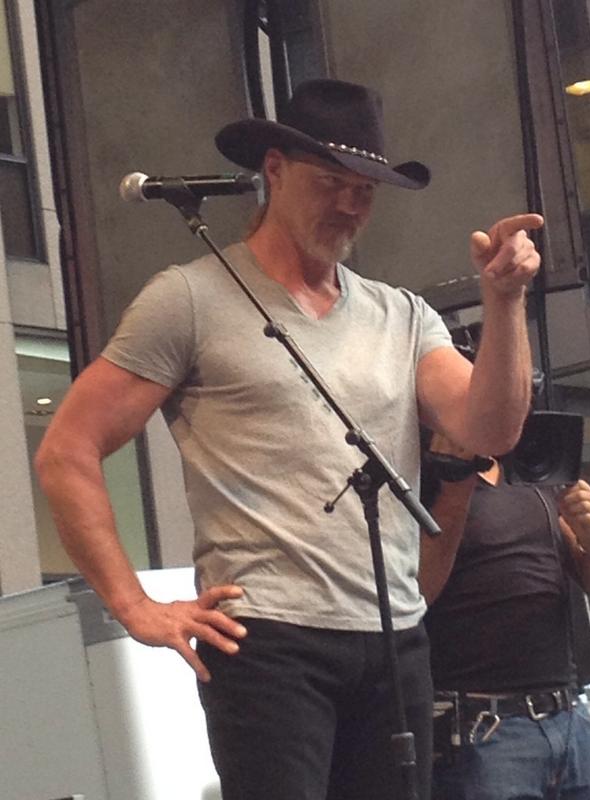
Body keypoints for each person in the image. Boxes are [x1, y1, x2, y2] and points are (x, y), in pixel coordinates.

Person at [35, 79, 543, 800]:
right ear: (273, 170)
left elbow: (490, 429)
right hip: (267, 639)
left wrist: (506, 301)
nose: (349, 204)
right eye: (330, 182)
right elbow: (66, 451)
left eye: (364, 190)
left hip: (394, 635)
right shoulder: (189, 298)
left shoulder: (402, 316)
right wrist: (134, 605)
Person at [420, 426, 590, 800]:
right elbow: (417, 591)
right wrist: (454, 483)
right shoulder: (423, 477)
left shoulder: (532, 474)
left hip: (568, 717)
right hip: (484, 727)